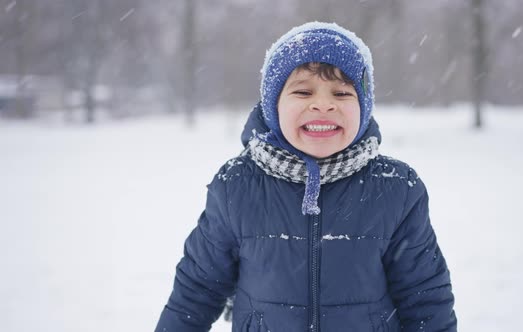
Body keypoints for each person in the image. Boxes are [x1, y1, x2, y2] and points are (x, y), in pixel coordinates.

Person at [155, 21, 457, 332]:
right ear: (273, 106)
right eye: (302, 91)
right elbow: (196, 290)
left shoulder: (396, 188)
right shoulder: (236, 186)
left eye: (341, 92)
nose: (323, 104)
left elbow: (425, 298)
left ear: (364, 108)